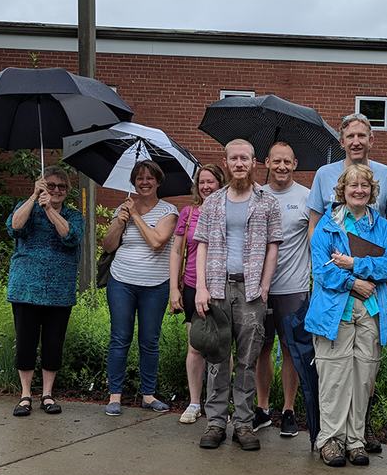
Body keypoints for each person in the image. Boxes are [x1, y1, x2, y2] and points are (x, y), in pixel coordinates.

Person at [306, 112, 387, 452]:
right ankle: (329, 440)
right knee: (334, 378)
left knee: (364, 377)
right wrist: (354, 282)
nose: (359, 190)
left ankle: (355, 439)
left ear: (372, 190)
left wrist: (356, 263)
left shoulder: (380, 227)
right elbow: (322, 270)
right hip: (337, 307)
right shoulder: (328, 227)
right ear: (342, 190)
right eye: (353, 186)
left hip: (372, 310)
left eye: (364, 186)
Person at [194, 139, 282, 451]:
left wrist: (265, 286)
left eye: (245, 158)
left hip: (251, 291)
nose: (240, 163)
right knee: (218, 359)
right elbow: (201, 244)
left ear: (255, 162)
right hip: (218, 288)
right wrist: (201, 288)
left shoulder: (267, 202)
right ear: (227, 162)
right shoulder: (213, 202)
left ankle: (243, 424)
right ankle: (216, 422)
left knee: (247, 359)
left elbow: (273, 246)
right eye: (234, 158)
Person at [101, 160, 178, 416]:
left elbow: (157, 242)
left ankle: (148, 394)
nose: (144, 182)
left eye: (149, 178)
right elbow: (109, 246)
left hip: (155, 286)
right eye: (139, 178)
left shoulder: (169, 211)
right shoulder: (123, 209)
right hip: (121, 281)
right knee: (119, 338)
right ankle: (115, 395)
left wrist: (135, 216)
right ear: (133, 182)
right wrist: (120, 220)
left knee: (149, 341)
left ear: (158, 181)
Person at [6, 167, 84, 416]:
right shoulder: (26, 207)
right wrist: (33, 198)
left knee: (53, 343)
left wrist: (50, 209)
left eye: (62, 186)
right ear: (42, 186)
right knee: (26, 342)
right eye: (51, 185)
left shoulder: (73, 215)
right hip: (25, 288)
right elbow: (14, 228)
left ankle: (48, 394)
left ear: (67, 191)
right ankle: (25, 395)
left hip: (59, 291)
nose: (57, 190)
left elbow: (70, 237)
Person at [252, 142, 310, 437]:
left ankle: (288, 410)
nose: (282, 167)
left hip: (294, 287)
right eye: (277, 161)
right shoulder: (255, 195)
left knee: (291, 350)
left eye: (287, 162)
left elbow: (315, 242)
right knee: (261, 348)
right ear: (266, 162)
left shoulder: (307, 198)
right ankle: (262, 409)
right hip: (257, 288)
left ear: (295, 163)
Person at [168, 163, 226, 424]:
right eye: (202, 182)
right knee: (195, 346)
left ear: (220, 183)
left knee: (223, 348)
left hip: (222, 287)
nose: (206, 187)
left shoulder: (228, 211)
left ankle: (219, 401)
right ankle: (194, 402)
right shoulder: (189, 213)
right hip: (193, 285)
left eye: (211, 182)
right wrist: (173, 289)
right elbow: (176, 251)